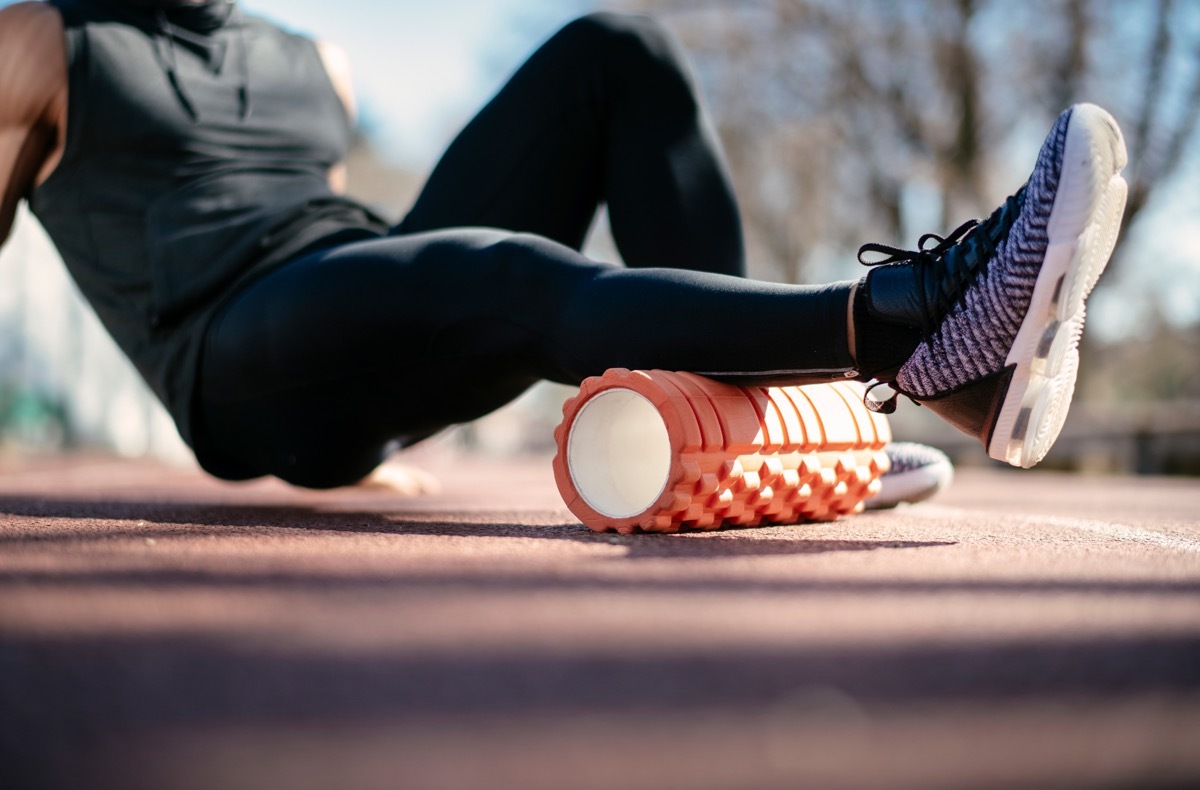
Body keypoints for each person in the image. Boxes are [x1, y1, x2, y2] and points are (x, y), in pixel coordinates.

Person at [0, 0, 1127, 490]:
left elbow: (356, 259)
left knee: (614, 50)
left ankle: (771, 428)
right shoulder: (43, 42)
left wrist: (376, 419)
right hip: (231, 352)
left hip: (349, 303)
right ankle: (909, 323)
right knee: (494, 269)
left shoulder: (313, 61)